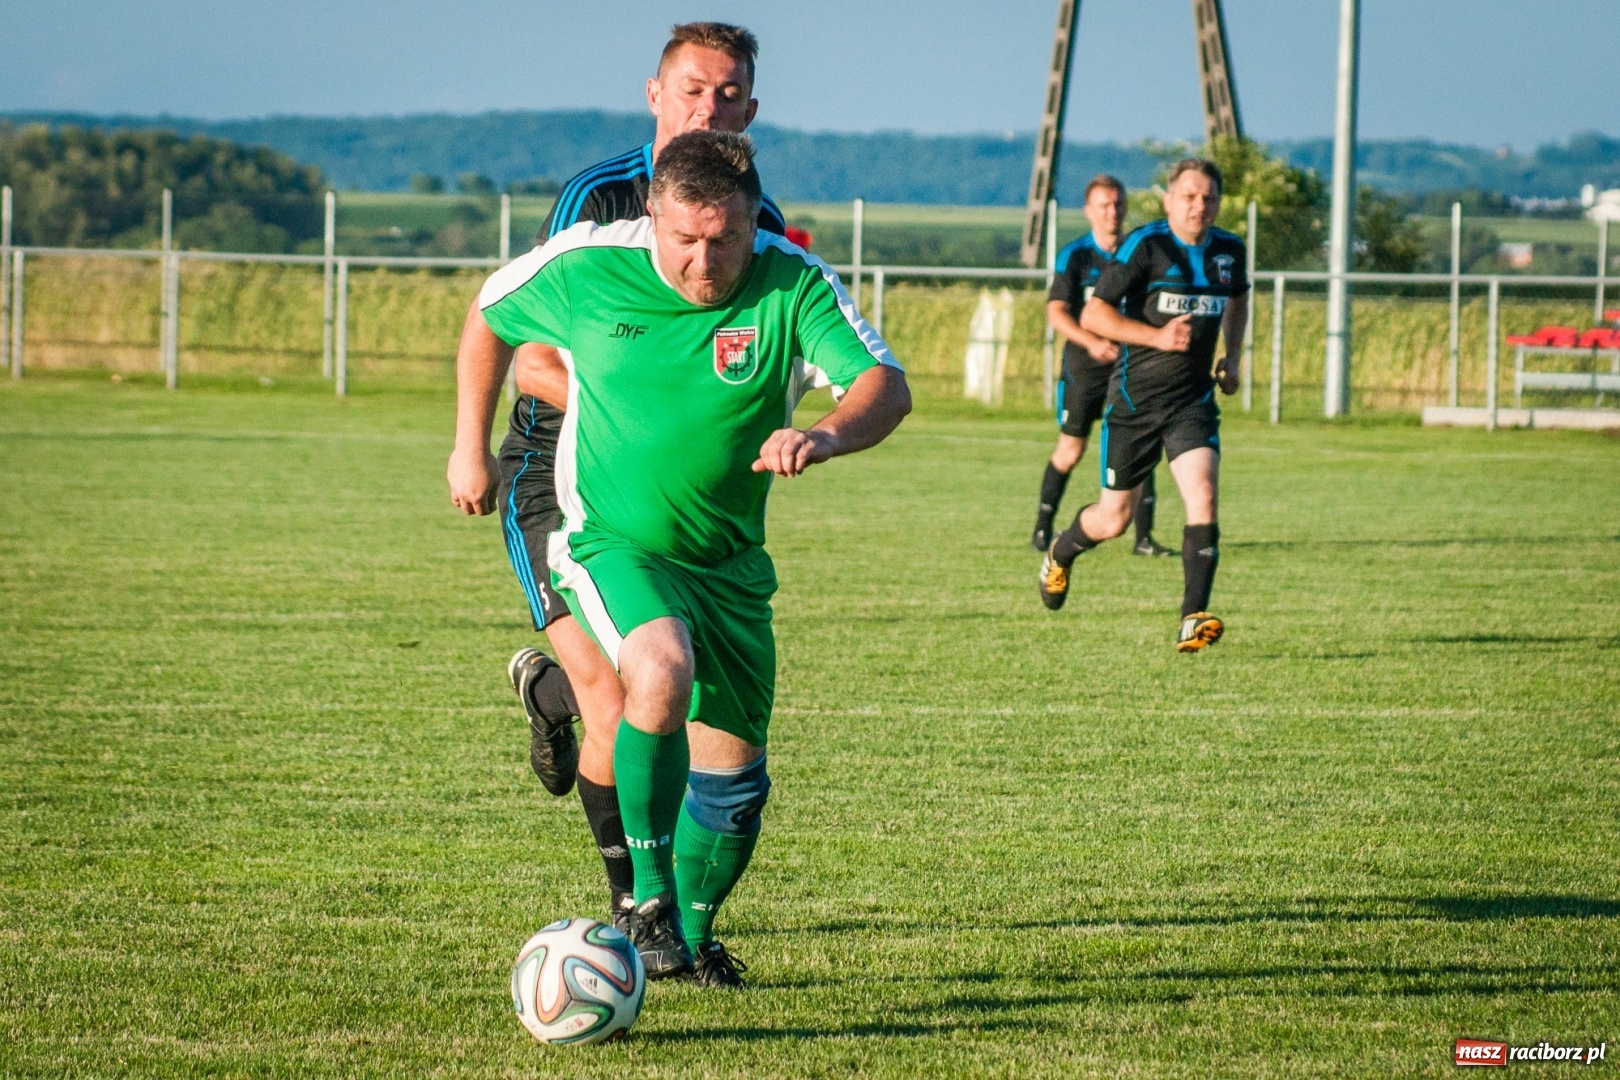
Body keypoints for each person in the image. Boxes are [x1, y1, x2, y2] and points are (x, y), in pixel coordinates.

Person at [457, 131, 909, 986]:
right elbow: (489, 318)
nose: (706, 261)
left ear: (753, 221)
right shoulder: (590, 265)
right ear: (654, 217)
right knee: (656, 668)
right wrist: (466, 446)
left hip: (730, 565)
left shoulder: (794, 284)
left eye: (726, 238)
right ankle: (645, 901)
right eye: (686, 239)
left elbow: (884, 385)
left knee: (735, 792)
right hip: (608, 540)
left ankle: (694, 942)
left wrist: (823, 433)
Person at [446, 22, 787, 936]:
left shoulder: (758, 222)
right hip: (557, 475)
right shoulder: (598, 199)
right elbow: (535, 358)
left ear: (750, 109)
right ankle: (638, 919)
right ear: (654, 94)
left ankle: (549, 697)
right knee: (621, 697)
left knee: (646, 696)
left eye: (725, 94)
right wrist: (468, 447)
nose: (705, 108)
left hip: (672, 504)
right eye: (690, 90)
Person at [1038, 158, 1248, 652]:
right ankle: (1060, 551)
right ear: (1169, 199)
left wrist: (1232, 357)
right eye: (1190, 196)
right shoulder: (1146, 246)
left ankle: (1191, 619)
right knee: (1114, 520)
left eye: (1209, 198)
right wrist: (1156, 336)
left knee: (1204, 495)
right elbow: (1095, 313)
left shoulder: (1229, 250)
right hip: (1133, 403)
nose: (1200, 205)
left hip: (1192, 402)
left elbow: (1238, 298)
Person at [1031, 174, 1172, 558]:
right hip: (1085, 369)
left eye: (1118, 204)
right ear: (1089, 211)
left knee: (1142, 445)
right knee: (1071, 449)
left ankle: (1144, 538)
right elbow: (1057, 312)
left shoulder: (1138, 251)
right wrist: (1092, 341)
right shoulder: (1076, 256)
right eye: (1104, 205)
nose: (1113, 212)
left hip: (1130, 368)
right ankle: (1042, 530)